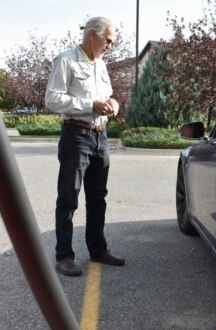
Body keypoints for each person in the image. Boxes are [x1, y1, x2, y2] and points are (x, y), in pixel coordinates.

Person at [45, 16, 125, 276]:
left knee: (97, 197)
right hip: (76, 135)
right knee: (69, 197)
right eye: (108, 40)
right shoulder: (66, 60)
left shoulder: (101, 64)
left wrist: (113, 105)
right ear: (93, 34)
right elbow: (53, 99)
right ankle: (64, 257)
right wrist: (90, 105)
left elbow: (107, 96)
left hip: (101, 136)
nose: (110, 46)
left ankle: (98, 250)